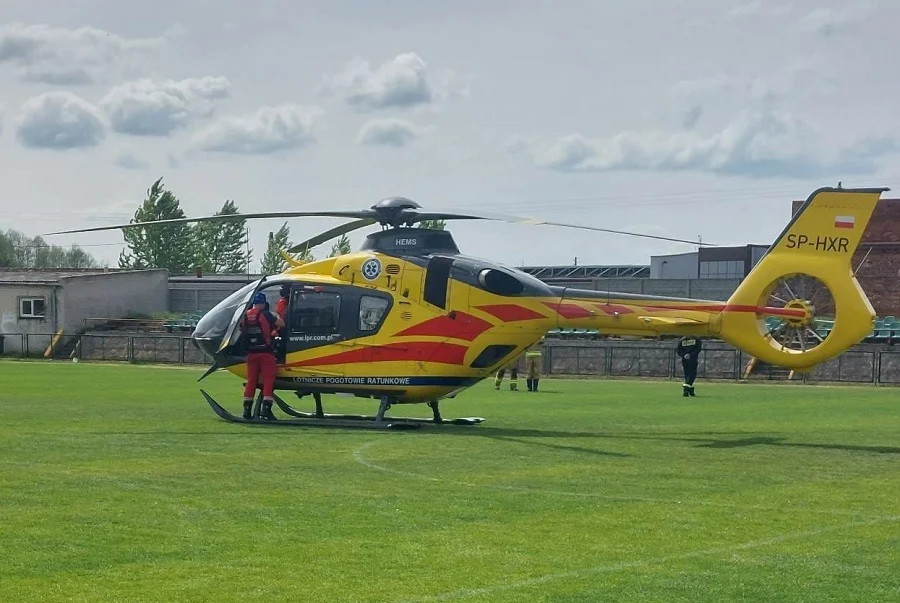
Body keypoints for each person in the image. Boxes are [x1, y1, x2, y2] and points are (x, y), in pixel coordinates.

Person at [239, 292, 285, 419]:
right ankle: (266, 409)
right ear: (264, 304)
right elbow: (282, 324)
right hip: (266, 353)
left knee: (251, 380)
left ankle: (247, 410)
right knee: (268, 380)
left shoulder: (245, 315)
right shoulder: (266, 314)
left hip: (251, 354)